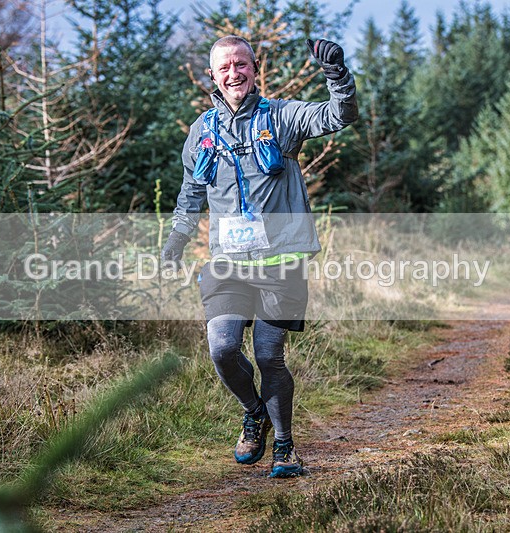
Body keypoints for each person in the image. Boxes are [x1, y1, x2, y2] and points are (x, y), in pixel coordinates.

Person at [161, 35, 357, 478]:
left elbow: (339, 115)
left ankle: (285, 448)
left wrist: (337, 74)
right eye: (224, 67)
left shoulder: (283, 117)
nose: (234, 73)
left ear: (255, 68)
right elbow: (191, 192)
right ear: (211, 76)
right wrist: (177, 237)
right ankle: (254, 412)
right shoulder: (201, 131)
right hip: (227, 263)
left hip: (280, 261)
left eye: (241, 64)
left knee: (269, 356)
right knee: (223, 349)